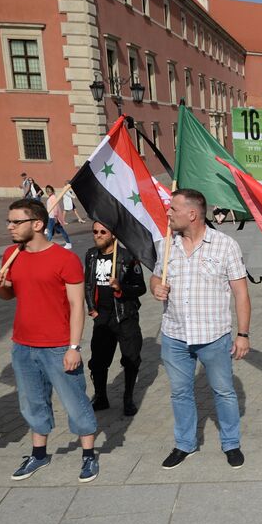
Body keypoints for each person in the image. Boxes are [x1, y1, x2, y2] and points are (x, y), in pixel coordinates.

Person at [0, 198, 99, 483]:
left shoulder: (65, 259)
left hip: (59, 345)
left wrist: (74, 347)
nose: (10, 227)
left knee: (75, 402)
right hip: (23, 345)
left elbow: (77, 306)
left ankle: (88, 455)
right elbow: (9, 295)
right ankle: (39, 454)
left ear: (37, 224)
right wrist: (0, 285)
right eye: (9, 221)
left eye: (16, 222)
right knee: (32, 403)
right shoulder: (11, 254)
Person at [150, 188, 250, 471]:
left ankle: (231, 443)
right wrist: (155, 287)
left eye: (173, 209)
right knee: (180, 392)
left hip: (213, 337)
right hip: (175, 334)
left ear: (191, 214)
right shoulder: (166, 244)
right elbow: (156, 277)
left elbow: (241, 293)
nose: (168, 213)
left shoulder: (225, 245)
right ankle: (184, 444)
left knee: (224, 392)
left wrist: (243, 334)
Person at [84, 222, 145, 416]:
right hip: (102, 317)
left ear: (113, 235)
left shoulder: (128, 257)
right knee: (98, 361)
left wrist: (121, 288)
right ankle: (101, 397)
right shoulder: (91, 255)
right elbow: (87, 284)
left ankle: (128, 399)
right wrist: (92, 309)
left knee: (131, 358)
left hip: (125, 316)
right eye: (95, 231)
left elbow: (140, 288)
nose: (98, 235)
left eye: (103, 232)